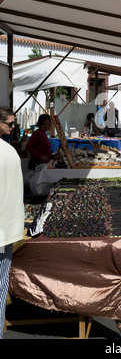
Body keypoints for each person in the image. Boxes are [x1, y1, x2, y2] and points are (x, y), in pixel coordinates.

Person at [0, 107, 25, 339]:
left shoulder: (9, 151)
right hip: (4, 232)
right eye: (9, 123)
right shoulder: (8, 152)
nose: (13, 127)